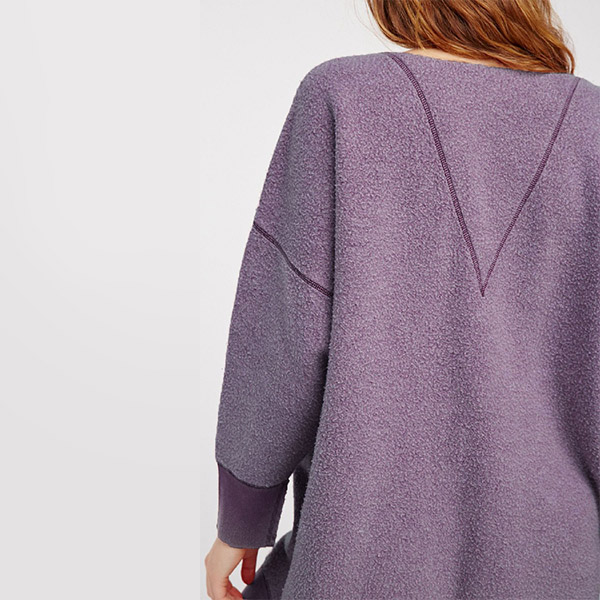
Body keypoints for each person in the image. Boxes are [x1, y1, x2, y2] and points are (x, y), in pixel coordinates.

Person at [205, 1, 600, 598]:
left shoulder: (344, 97)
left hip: (364, 554)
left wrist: (241, 518)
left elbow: (284, 333)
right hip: (557, 562)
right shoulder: (593, 123)